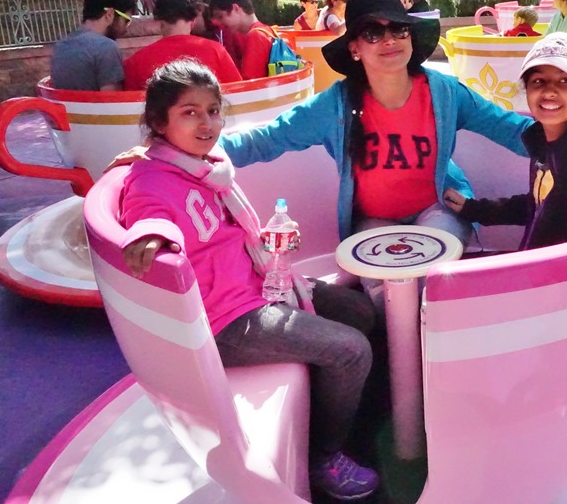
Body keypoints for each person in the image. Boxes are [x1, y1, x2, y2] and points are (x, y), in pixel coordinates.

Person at [119, 59, 380, 501]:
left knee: (359, 310)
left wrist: (270, 242)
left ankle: (332, 404)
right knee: (351, 350)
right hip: (225, 320)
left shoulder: (207, 165)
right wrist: (151, 236)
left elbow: (227, 234)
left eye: (213, 110)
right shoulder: (150, 179)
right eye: (189, 112)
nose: (207, 123)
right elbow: (148, 215)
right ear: (159, 123)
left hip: (256, 284)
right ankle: (324, 456)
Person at [216, 0, 531, 304]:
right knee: (384, 298)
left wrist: (561, 142)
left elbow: (509, 128)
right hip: (374, 221)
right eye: (373, 33)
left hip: (437, 209)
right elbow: (267, 139)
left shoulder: (444, 92)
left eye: (399, 29)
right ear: (354, 47)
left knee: (429, 283)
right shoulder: (335, 105)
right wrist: (197, 151)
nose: (389, 40)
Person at [443, 33, 567, 250]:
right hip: (538, 266)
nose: (549, 91)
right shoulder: (545, 144)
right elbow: (539, 206)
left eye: (565, 81)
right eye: (538, 81)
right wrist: (475, 209)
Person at [123, 0, 241, 90]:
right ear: (193, 21)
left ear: (159, 22)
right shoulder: (217, 51)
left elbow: (129, 104)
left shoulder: (136, 62)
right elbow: (239, 91)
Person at [50, 0, 136, 91]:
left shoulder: (60, 47)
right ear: (109, 14)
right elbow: (112, 99)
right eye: (126, 21)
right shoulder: (106, 48)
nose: (126, 29)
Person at [208, 0, 278, 80]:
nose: (218, 23)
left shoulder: (255, 36)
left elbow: (249, 84)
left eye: (220, 16)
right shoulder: (267, 31)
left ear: (235, 8)